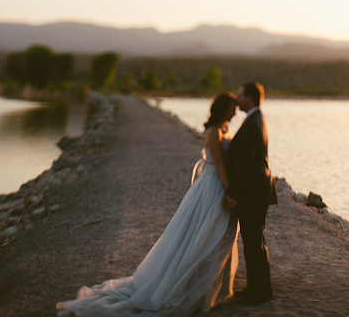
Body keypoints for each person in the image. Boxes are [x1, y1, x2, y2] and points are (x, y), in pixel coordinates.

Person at [57, 93, 241, 317]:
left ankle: (210, 286)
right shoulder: (213, 132)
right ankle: (189, 284)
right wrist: (229, 190)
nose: (236, 112)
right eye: (233, 108)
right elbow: (220, 163)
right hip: (212, 186)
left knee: (216, 236)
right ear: (223, 109)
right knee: (202, 235)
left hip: (218, 184)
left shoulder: (224, 128)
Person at [223, 81, 278, 306]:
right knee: (254, 241)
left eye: (240, 95)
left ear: (250, 98)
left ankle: (260, 293)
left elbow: (245, 162)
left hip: (253, 192)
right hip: (256, 190)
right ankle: (256, 288)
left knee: (254, 242)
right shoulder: (255, 119)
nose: (237, 98)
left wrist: (231, 192)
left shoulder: (253, 122)